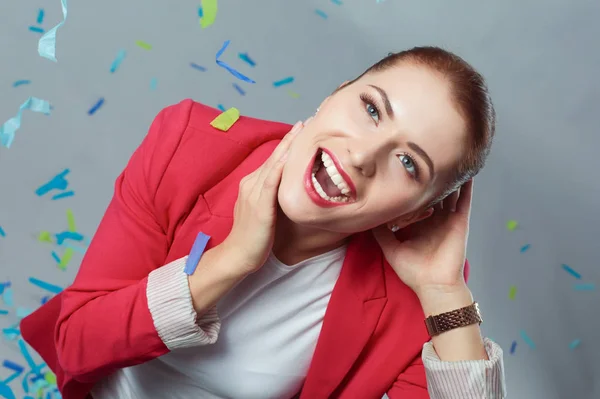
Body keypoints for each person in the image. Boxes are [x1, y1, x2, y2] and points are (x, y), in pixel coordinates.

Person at [21, 46, 506, 399]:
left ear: (417, 212)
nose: (362, 155)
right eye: (371, 109)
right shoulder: (189, 147)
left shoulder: (420, 296)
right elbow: (75, 344)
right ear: (336, 94)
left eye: (408, 164)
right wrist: (229, 262)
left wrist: (445, 293)